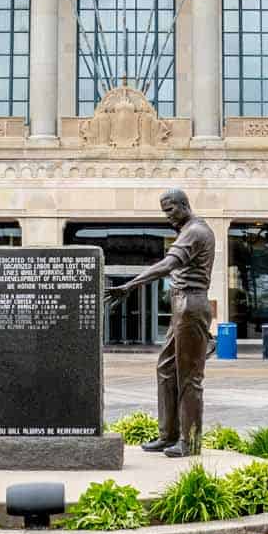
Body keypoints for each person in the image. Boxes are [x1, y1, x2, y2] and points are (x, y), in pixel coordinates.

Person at [106, 189, 215, 457]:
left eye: (170, 210)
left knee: (189, 377)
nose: (167, 216)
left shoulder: (195, 231)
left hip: (191, 306)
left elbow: (168, 264)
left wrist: (130, 284)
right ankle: (168, 436)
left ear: (184, 205)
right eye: (164, 211)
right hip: (182, 306)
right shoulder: (188, 230)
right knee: (166, 369)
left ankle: (190, 443)